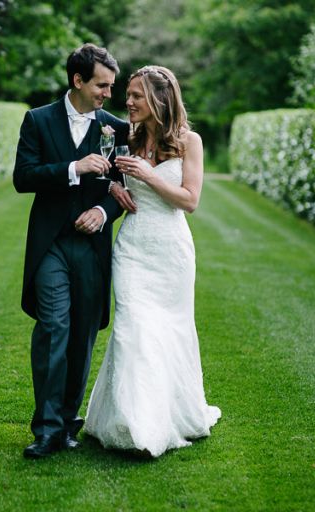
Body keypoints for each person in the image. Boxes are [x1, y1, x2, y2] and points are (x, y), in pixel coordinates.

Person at [85, 65, 221, 458]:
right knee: (134, 329)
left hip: (171, 252)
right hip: (132, 249)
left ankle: (164, 417)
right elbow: (100, 175)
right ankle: (133, 422)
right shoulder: (124, 136)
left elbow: (189, 201)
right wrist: (111, 184)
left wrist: (148, 174)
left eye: (136, 96)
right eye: (127, 95)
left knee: (169, 331)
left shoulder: (188, 141)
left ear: (161, 99)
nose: (127, 102)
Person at [13, 44, 129, 459]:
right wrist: (72, 169)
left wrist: (103, 210)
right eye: (102, 85)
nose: (107, 94)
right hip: (50, 244)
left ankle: (66, 421)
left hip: (92, 248)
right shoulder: (38, 120)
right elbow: (23, 177)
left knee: (82, 333)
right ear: (78, 80)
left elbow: (127, 191)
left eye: (111, 86)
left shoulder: (117, 127)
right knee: (53, 328)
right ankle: (45, 429)